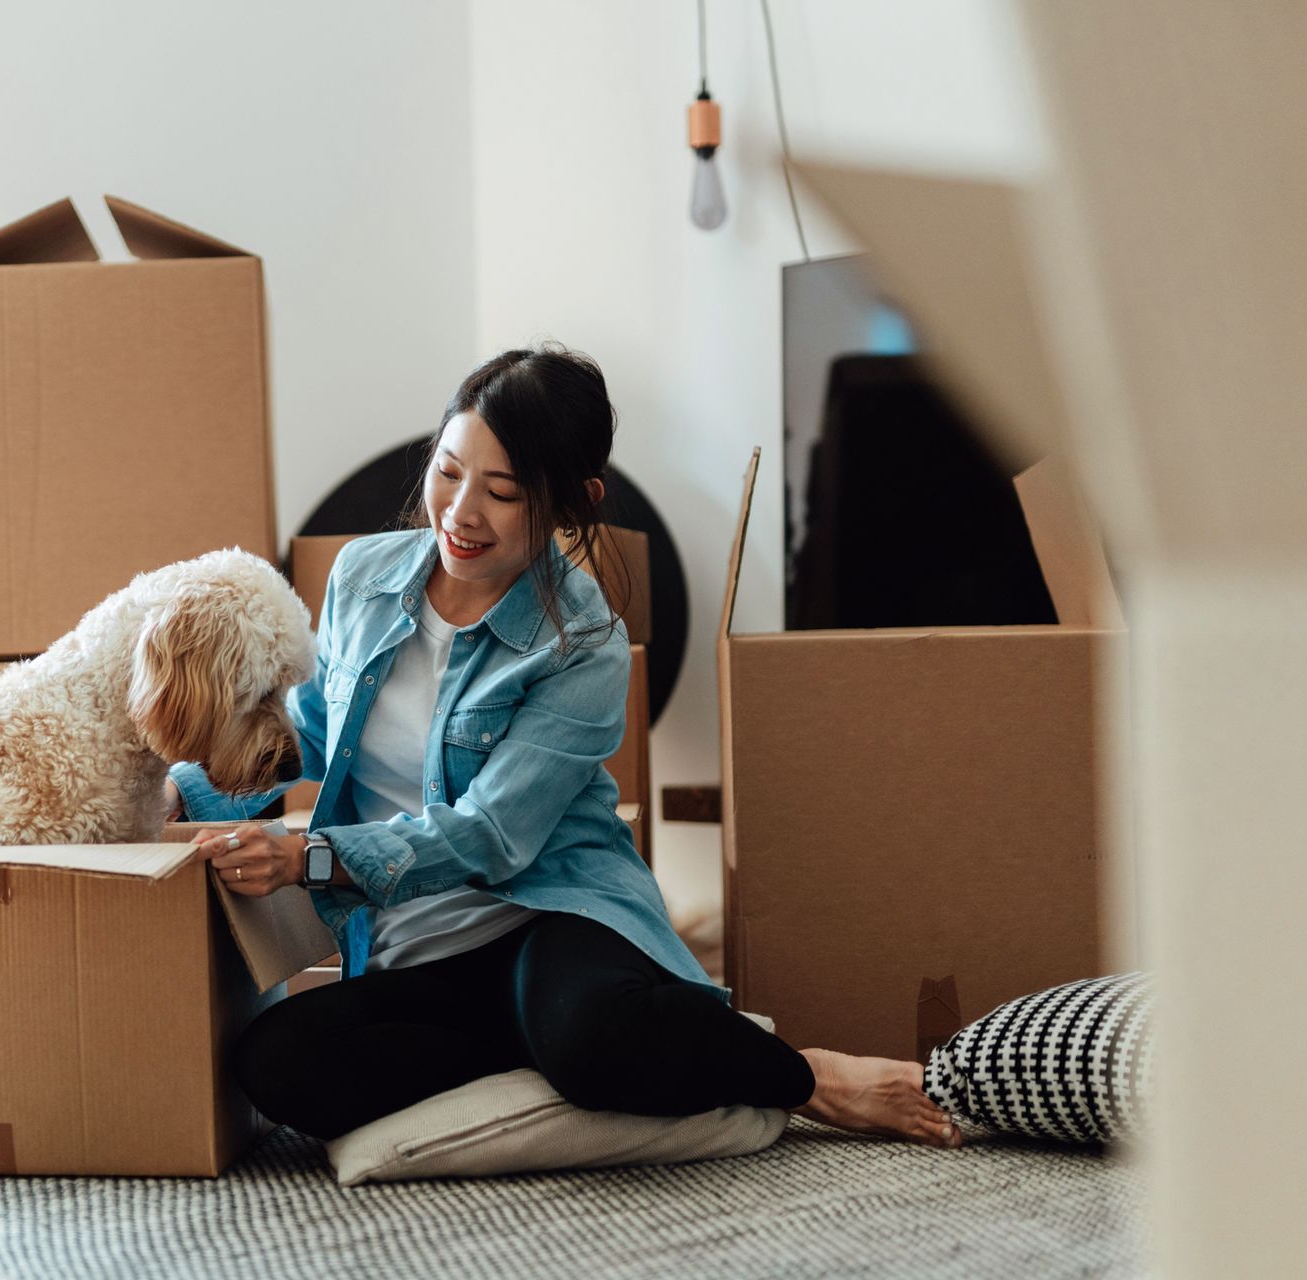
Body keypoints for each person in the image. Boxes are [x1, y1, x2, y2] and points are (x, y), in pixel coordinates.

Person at [164, 344, 959, 1149]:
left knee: (591, 1040)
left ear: (574, 503)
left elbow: (494, 835)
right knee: (278, 1063)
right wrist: (177, 793)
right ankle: (560, 1046)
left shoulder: (583, 643)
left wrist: (310, 857)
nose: (460, 513)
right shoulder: (360, 577)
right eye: (449, 470)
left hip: (548, 918)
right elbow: (312, 730)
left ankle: (812, 1076)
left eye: (503, 492)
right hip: (420, 954)